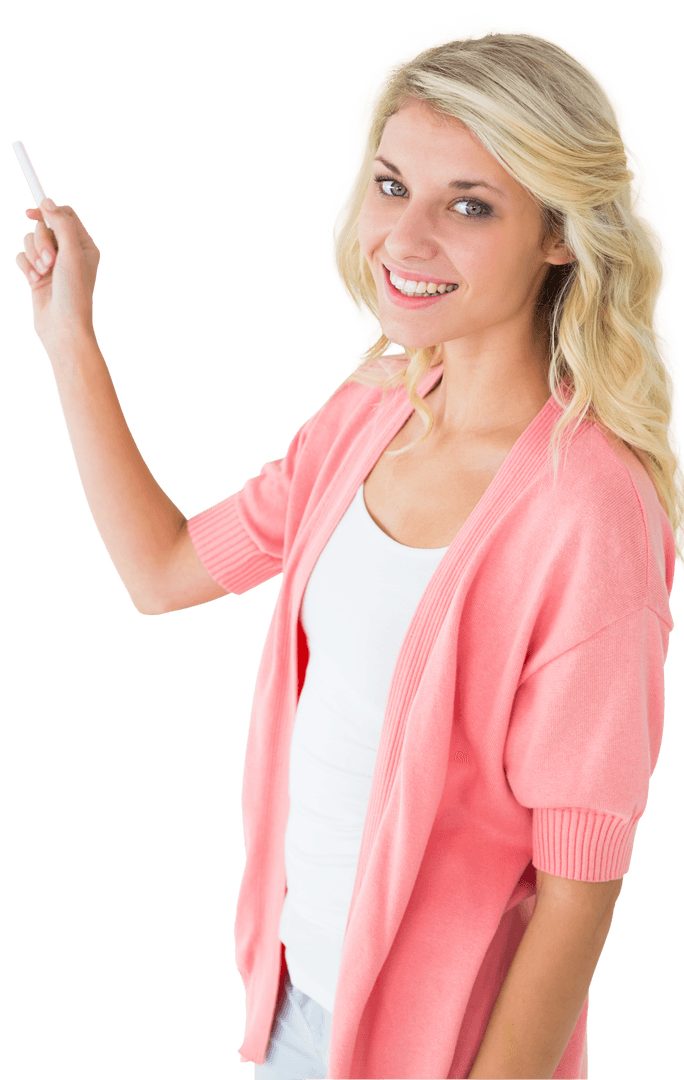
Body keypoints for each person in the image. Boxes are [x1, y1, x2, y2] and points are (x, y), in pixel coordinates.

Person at [14, 18, 680, 1080]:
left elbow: (580, 889)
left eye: (470, 205)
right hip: (295, 1008)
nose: (402, 241)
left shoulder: (590, 512)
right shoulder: (372, 411)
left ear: (563, 233)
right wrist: (67, 333)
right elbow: (164, 573)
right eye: (389, 184)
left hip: (450, 1054)